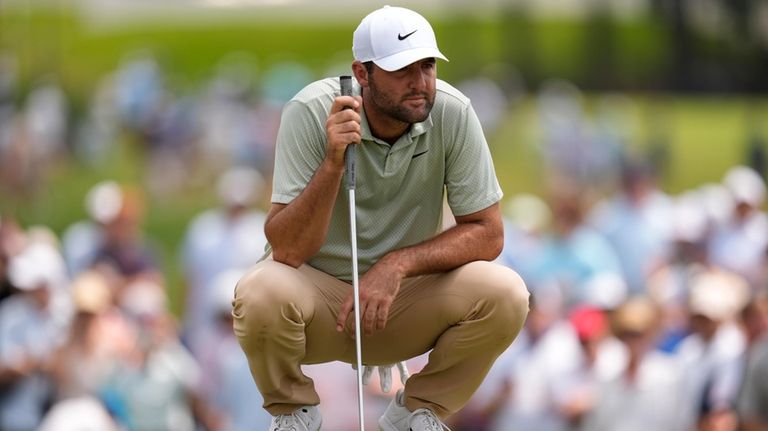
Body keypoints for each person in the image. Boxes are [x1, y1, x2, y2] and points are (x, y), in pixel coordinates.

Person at [232, 6, 530, 431]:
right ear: (363, 72)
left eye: (427, 66)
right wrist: (333, 162)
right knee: (259, 291)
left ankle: (417, 413)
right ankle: (294, 411)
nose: (420, 83)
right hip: (318, 307)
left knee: (507, 293)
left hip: (403, 301)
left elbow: (488, 233)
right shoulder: (311, 110)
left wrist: (398, 264)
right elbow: (288, 248)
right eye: (402, 69)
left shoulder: (453, 111)